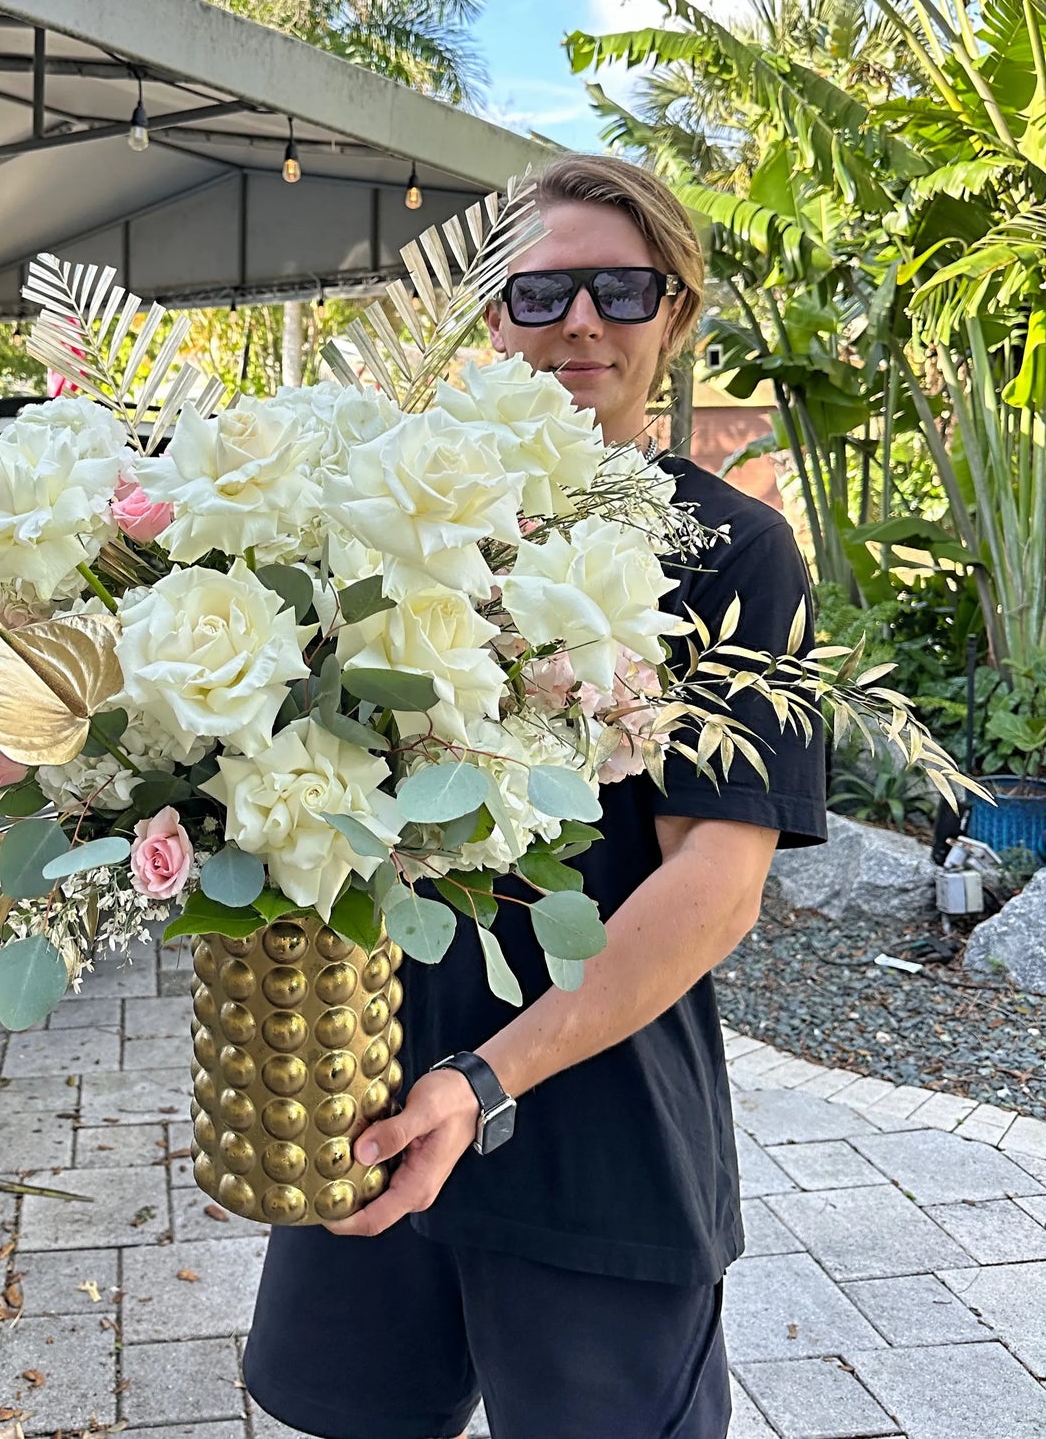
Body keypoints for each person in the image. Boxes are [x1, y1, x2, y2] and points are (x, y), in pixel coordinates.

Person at [243, 153, 828, 1439]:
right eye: (541, 288)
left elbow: (714, 884)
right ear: (487, 313)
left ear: (673, 317)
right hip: (368, 1107)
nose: (579, 321)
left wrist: (485, 1081)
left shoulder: (726, 550)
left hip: (596, 1147)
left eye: (622, 290)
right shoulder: (377, 519)